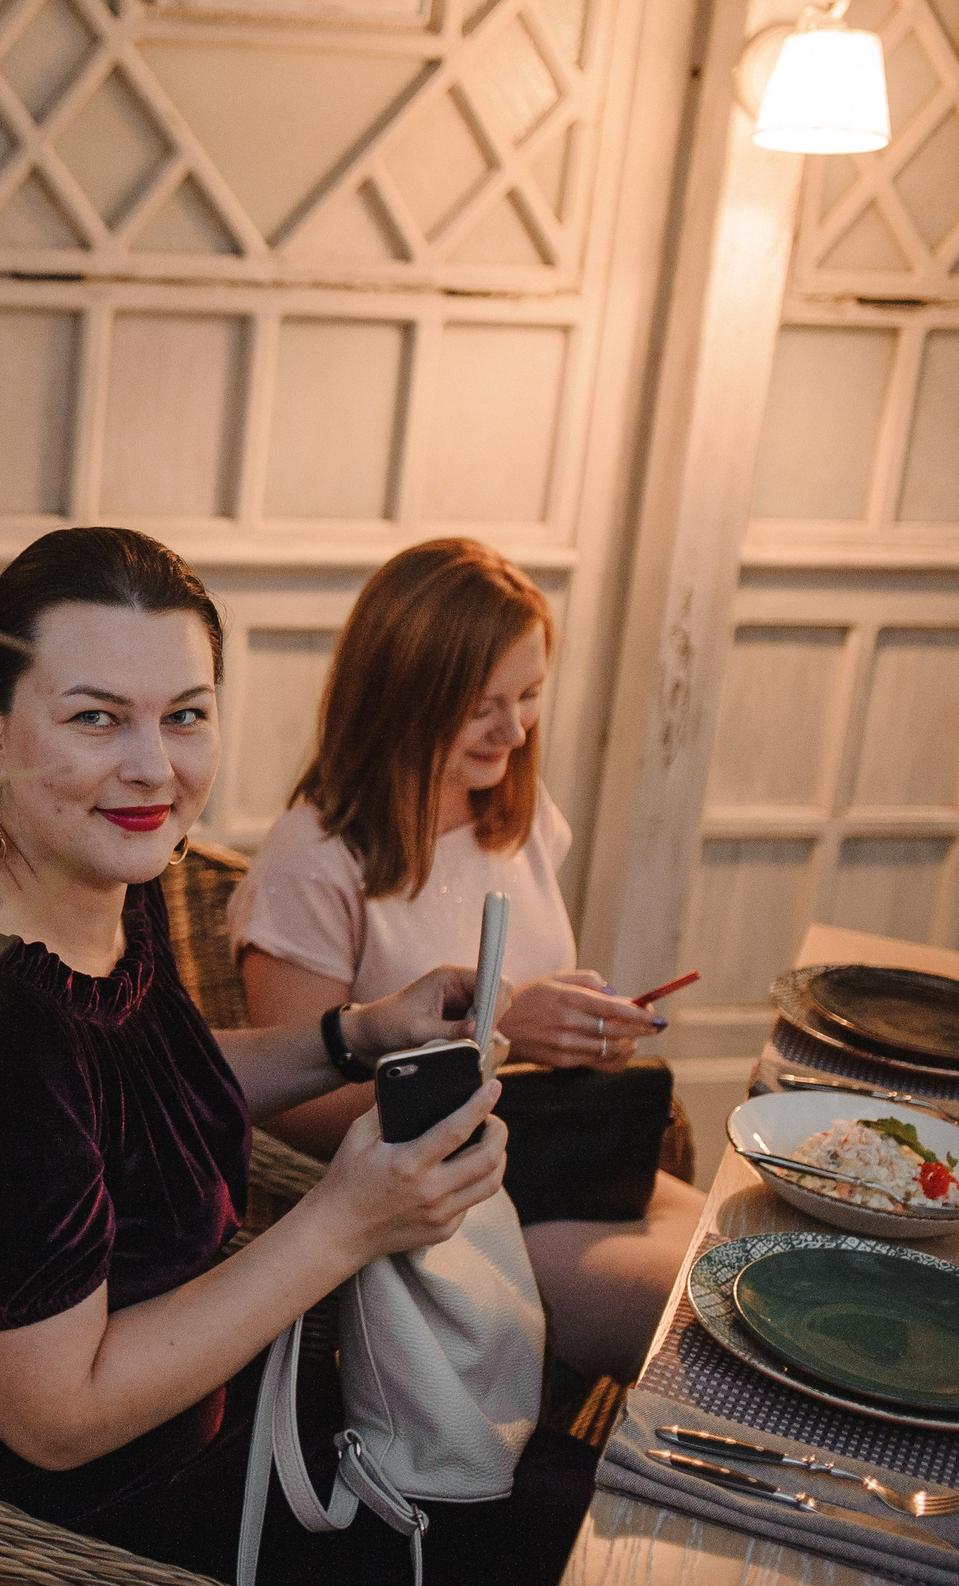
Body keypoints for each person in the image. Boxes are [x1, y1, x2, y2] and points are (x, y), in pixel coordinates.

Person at [0, 527, 593, 1584]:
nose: (151, 767)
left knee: (581, 1481)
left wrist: (352, 1035)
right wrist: (345, 1221)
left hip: (209, 1408)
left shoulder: (74, 865)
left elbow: (137, 1084)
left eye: (184, 715)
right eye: (94, 717)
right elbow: (57, 1418)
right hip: (84, 1524)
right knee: (573, 1536)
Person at [229, 536, 704, 1382]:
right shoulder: (314, 862)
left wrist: (583, 1034)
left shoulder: (509, 813)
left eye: (529, 696)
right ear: (403, 693)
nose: (516, 730)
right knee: (708, 1325)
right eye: (485, 703)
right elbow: (290, 1106)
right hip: (451, 1211)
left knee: (753, 1265)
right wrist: (500, 1035)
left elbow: (531, 983)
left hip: (556, 1159)